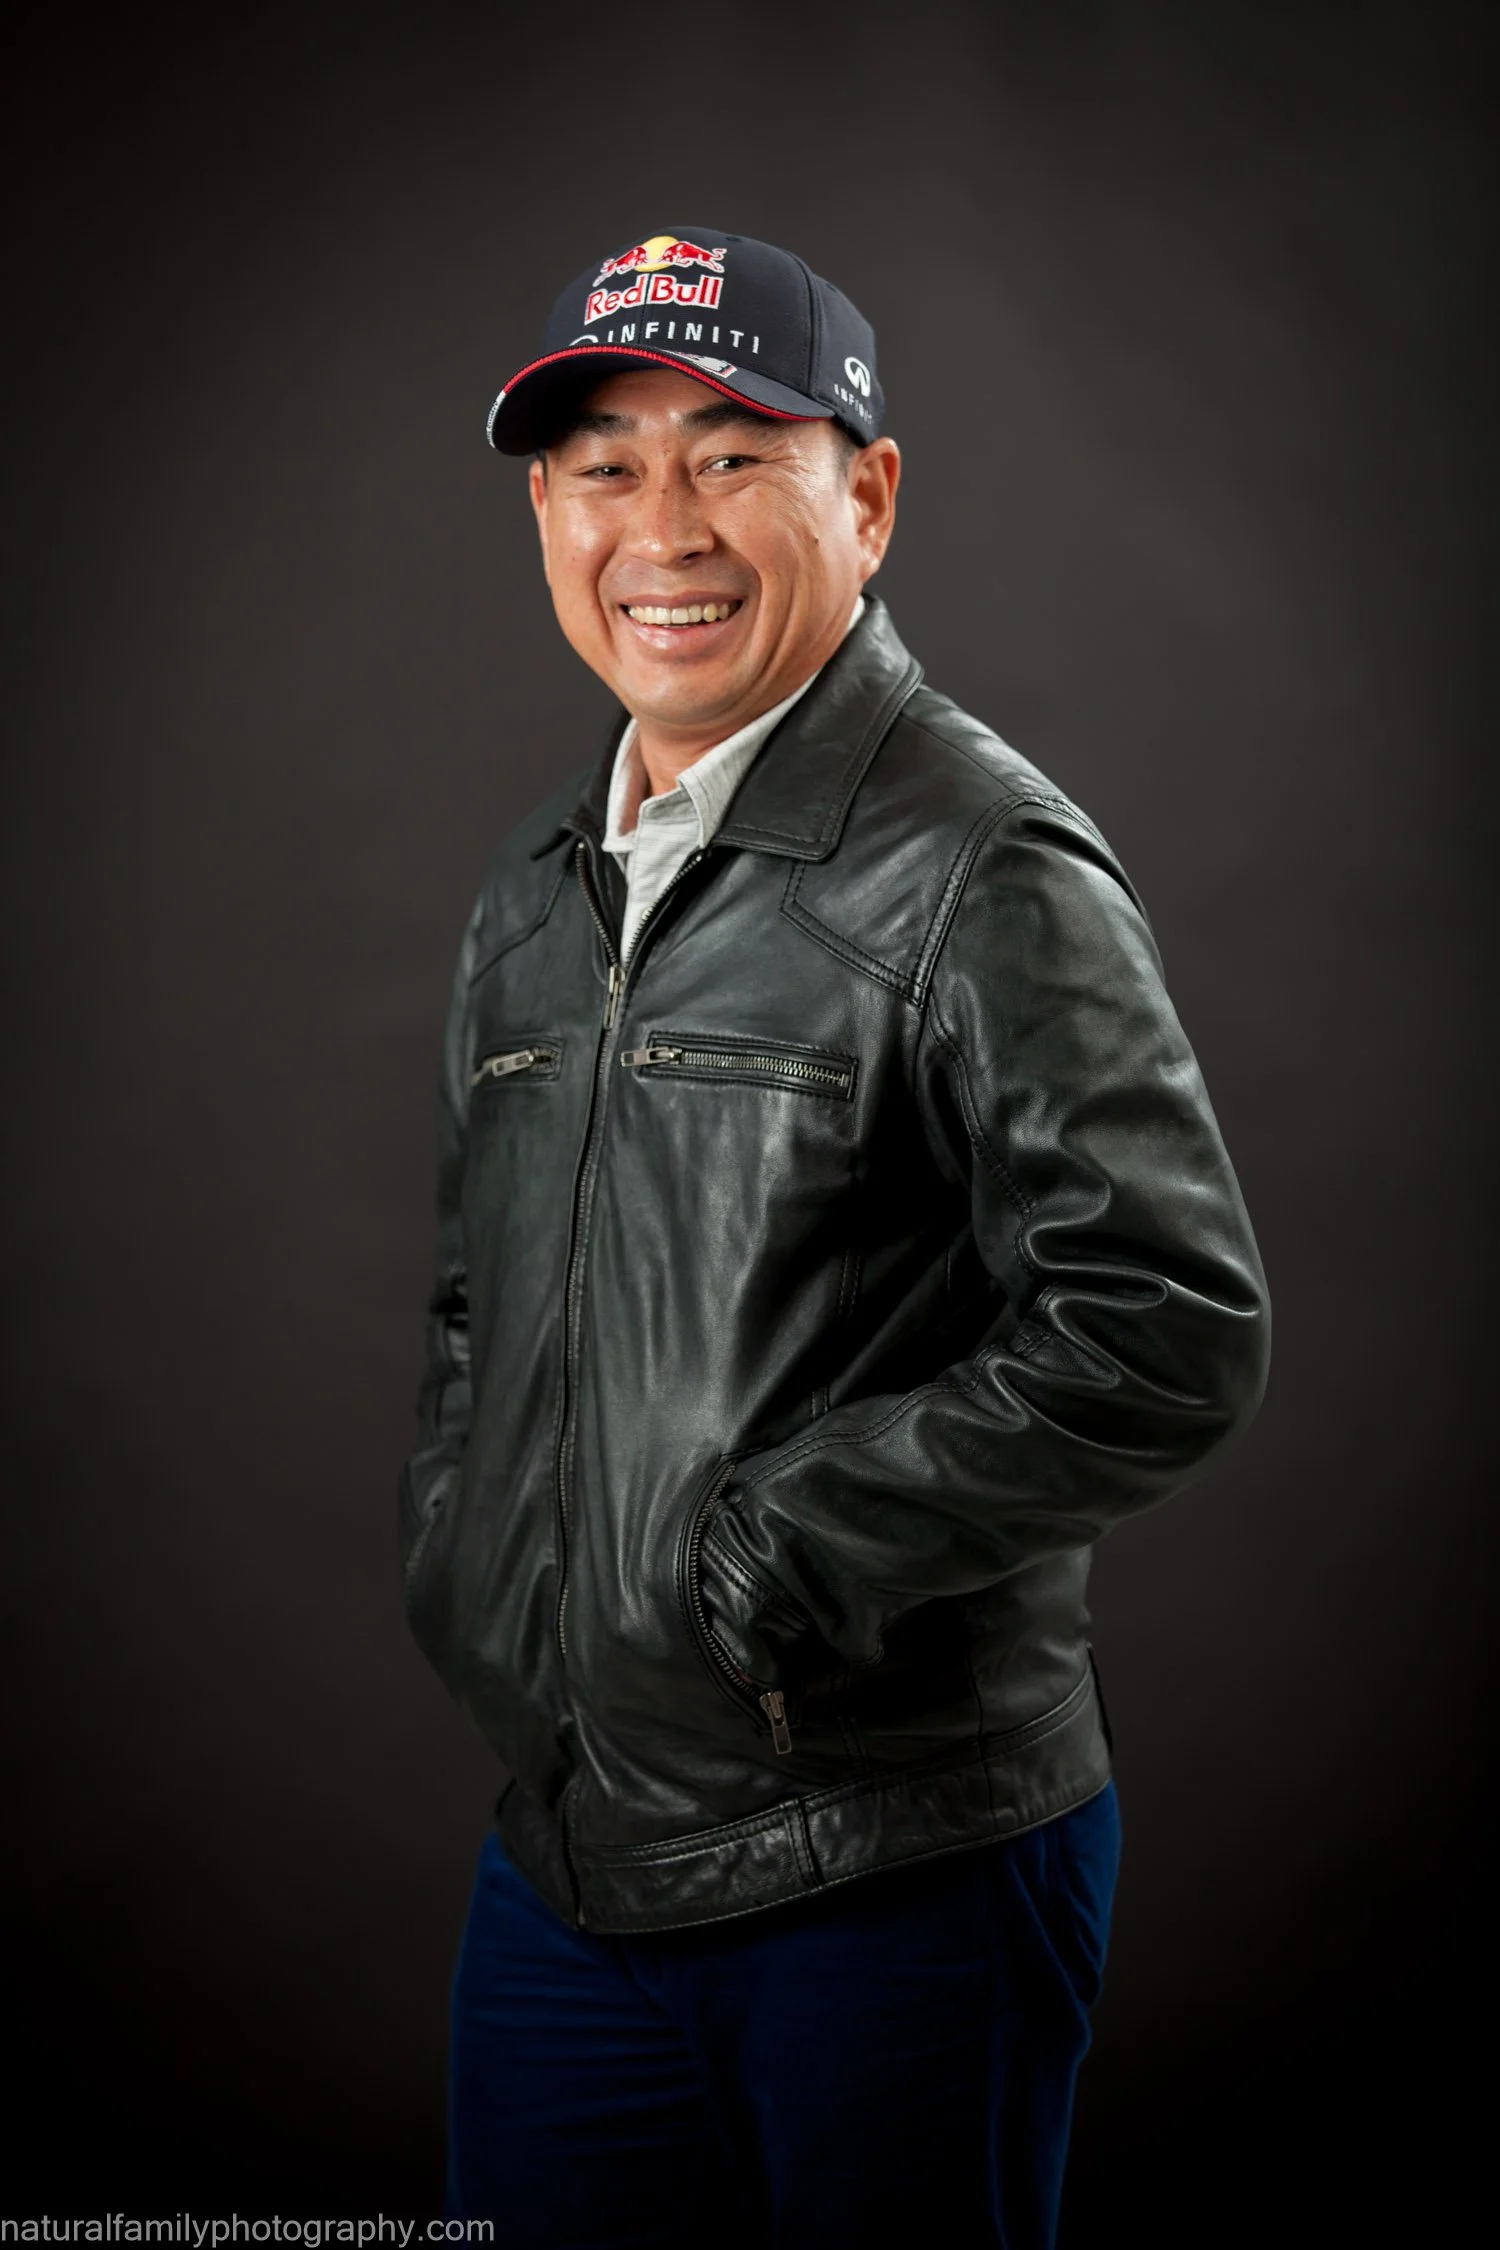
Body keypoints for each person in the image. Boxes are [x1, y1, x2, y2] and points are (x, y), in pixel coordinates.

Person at [400, 225, 1270, 2247]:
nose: (660, 528)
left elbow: (1167, 1324)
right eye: (604, 465)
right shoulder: (538, 890)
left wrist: (756, 1559)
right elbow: (478, 1303)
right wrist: (477, 1569)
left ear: (863, 498)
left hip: (889, 1875)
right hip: (565, 1859)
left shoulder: (981, 865)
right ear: (546, 510)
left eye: (730, 454)